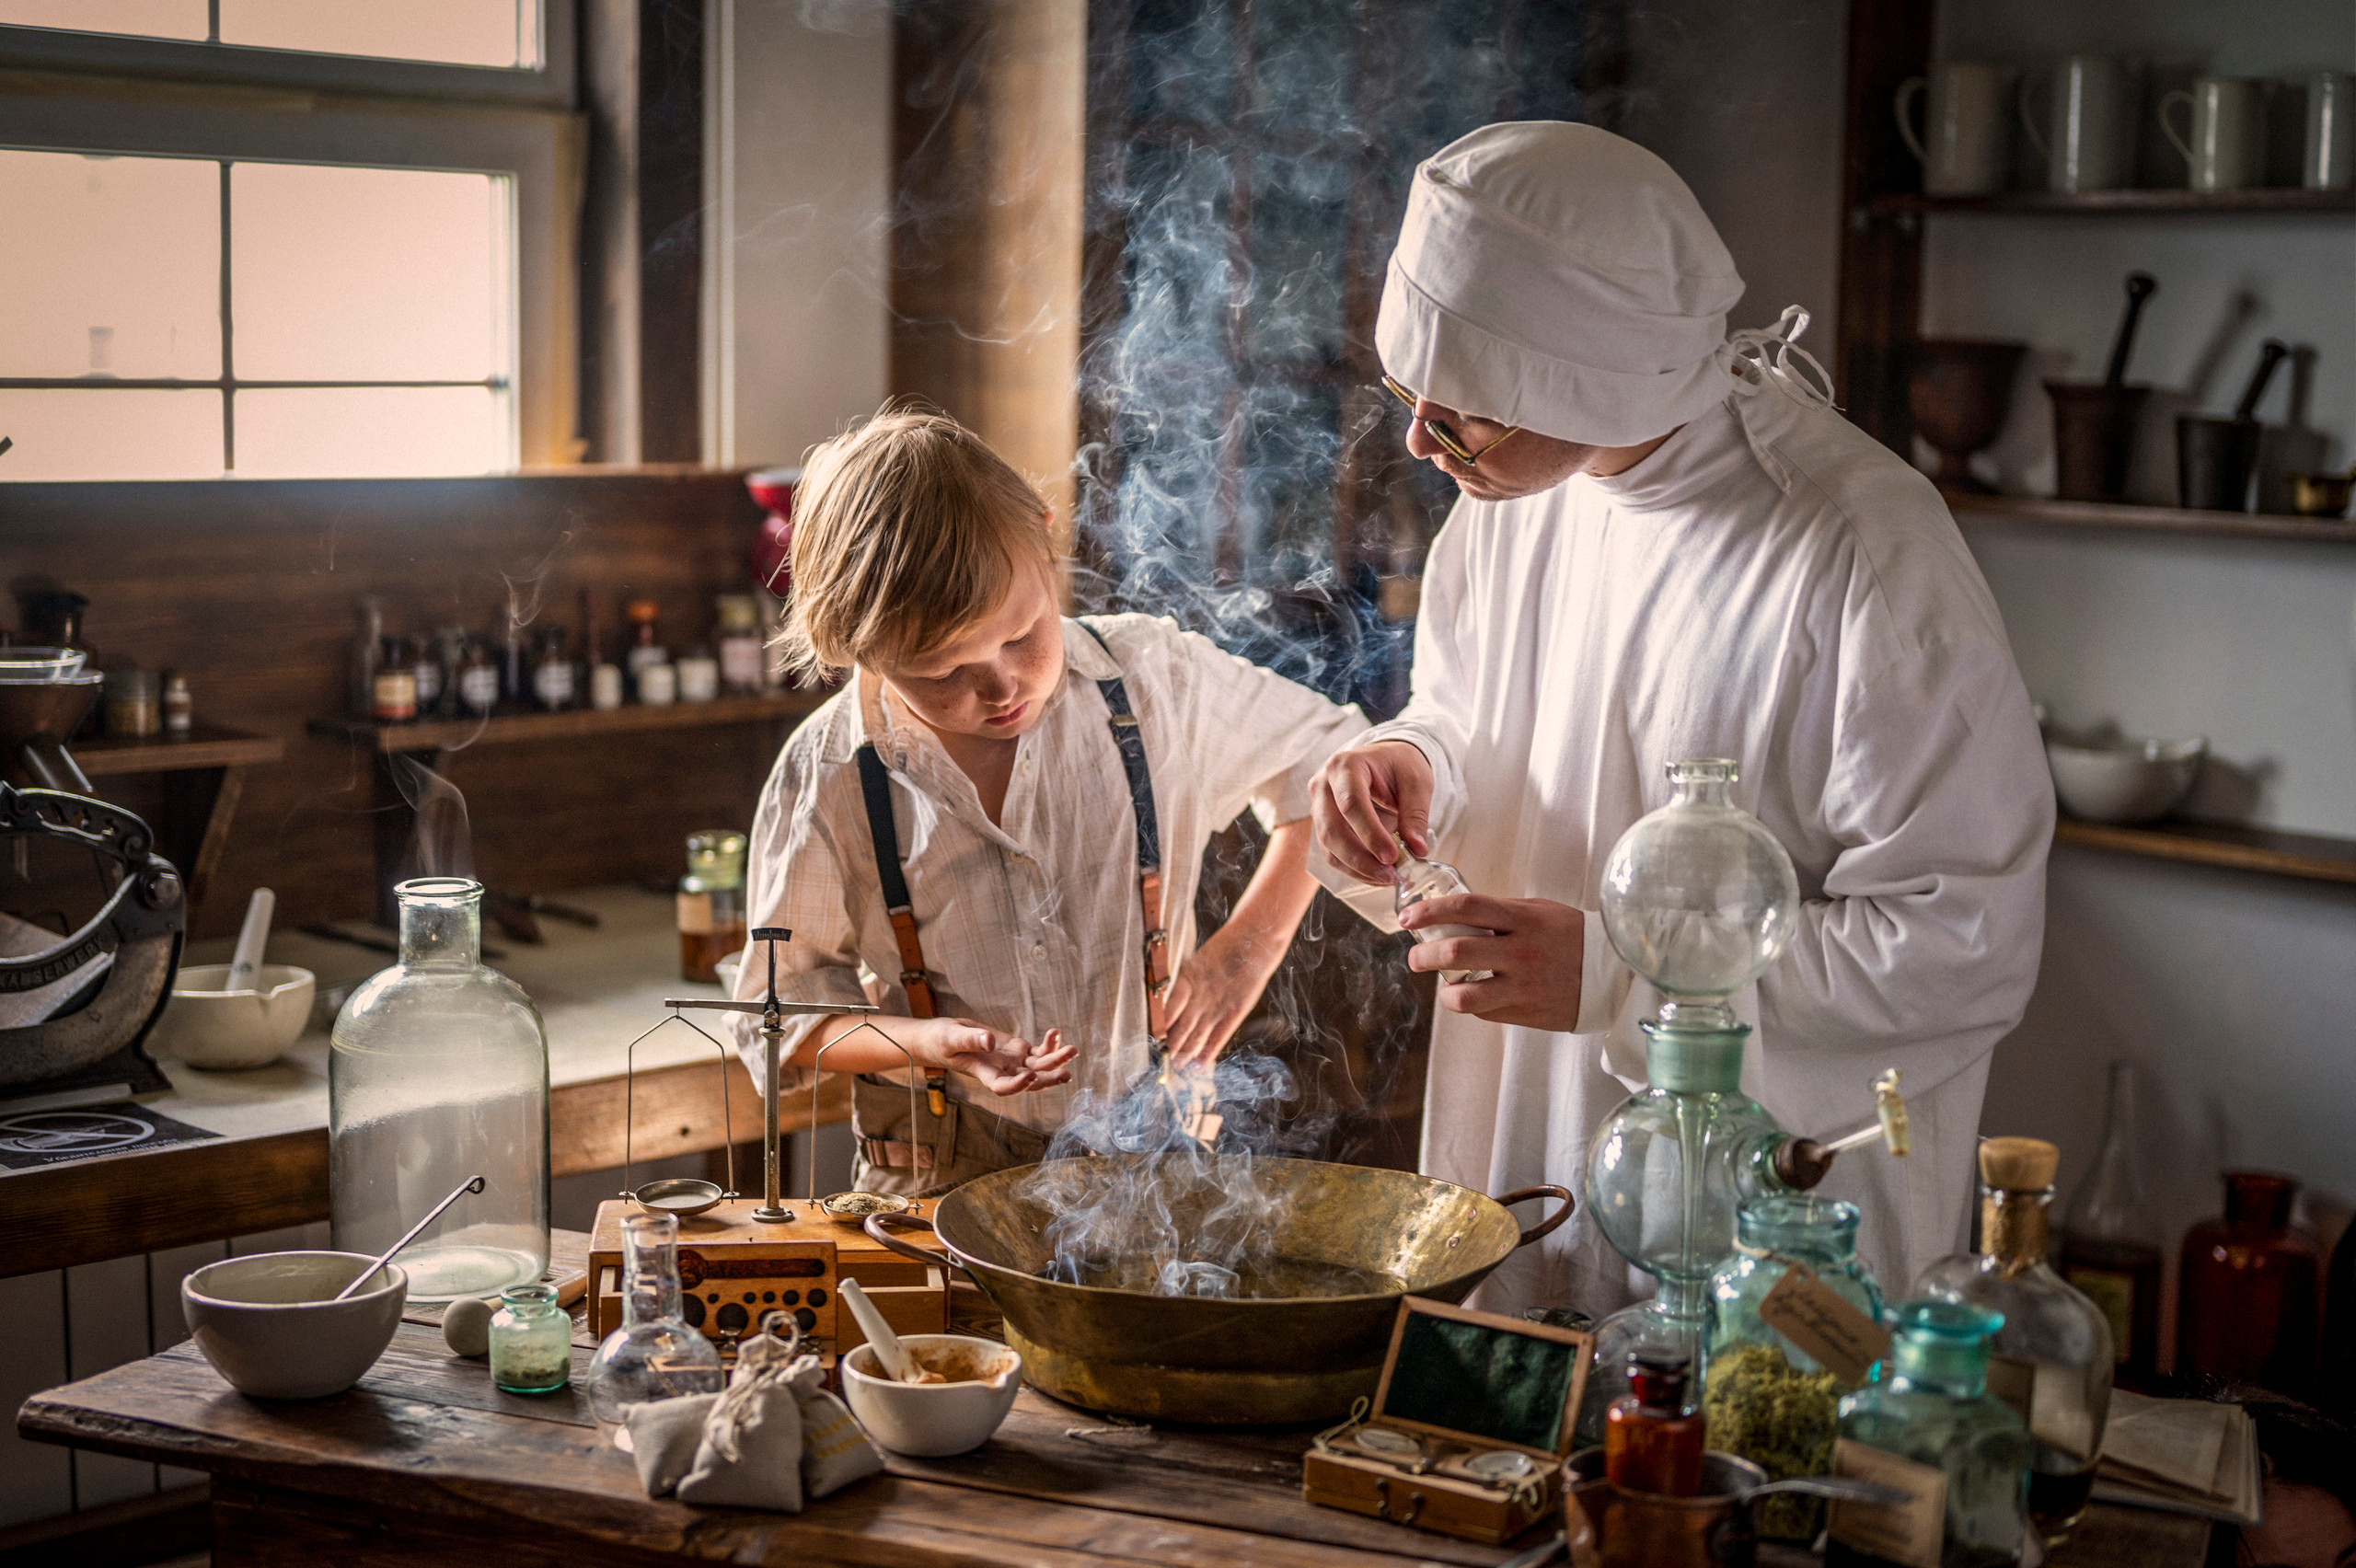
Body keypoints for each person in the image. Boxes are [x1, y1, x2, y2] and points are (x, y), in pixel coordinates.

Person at [1309, 122, 2050, 1312]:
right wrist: (1412, 760)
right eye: (1410, 397)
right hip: (1532, 1125)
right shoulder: (1513, 494)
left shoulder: (1860, 553)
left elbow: (1961, 942)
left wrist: (1630, 979)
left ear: (1590, 378)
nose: (1419, 443)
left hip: (1763, 1214)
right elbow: (1477, 708)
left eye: (1457, 415)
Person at [728, 407, 1370, 1195]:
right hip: (937, 1179)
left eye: (1021, 635)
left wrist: (1246, 953)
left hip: (1162, 1159)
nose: (1000, 686)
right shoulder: (828, 771)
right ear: (856, 654)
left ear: (1042, 534)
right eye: (939, 674)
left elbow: (1333, 763)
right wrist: (925, 1039)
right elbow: (778, 1019)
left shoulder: (1153, 680)